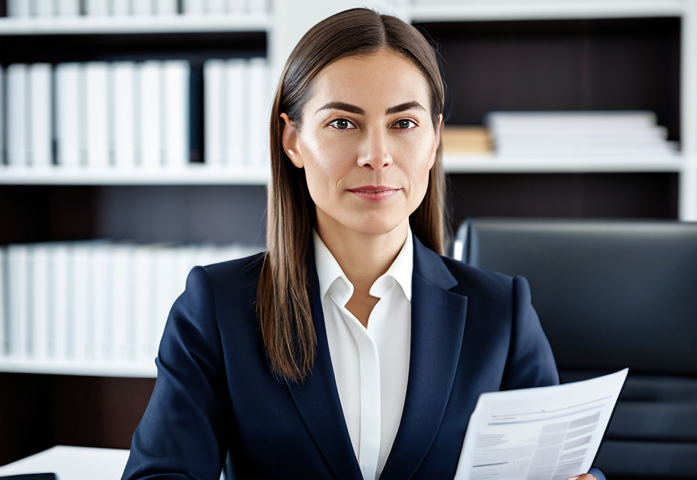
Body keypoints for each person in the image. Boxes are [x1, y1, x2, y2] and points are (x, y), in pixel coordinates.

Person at [122, 8, 604, 480]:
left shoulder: (502, 314)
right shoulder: (218, 309)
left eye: (403, 124)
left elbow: (557, 468)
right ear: (292, 140)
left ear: (435, 140)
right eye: (343, 123)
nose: (376, 156)